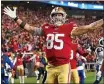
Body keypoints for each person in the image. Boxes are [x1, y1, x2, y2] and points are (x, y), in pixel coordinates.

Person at [4, 6, 104, 83]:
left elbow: (90, 27)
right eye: (55, 15)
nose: (57, 17)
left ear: (64, 16)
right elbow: (29, 28)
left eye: (59, 15)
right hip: (50, 66)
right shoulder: (46, 28)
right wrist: (16, 18)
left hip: (64, 66)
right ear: (52, 17)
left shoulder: (70, 28)